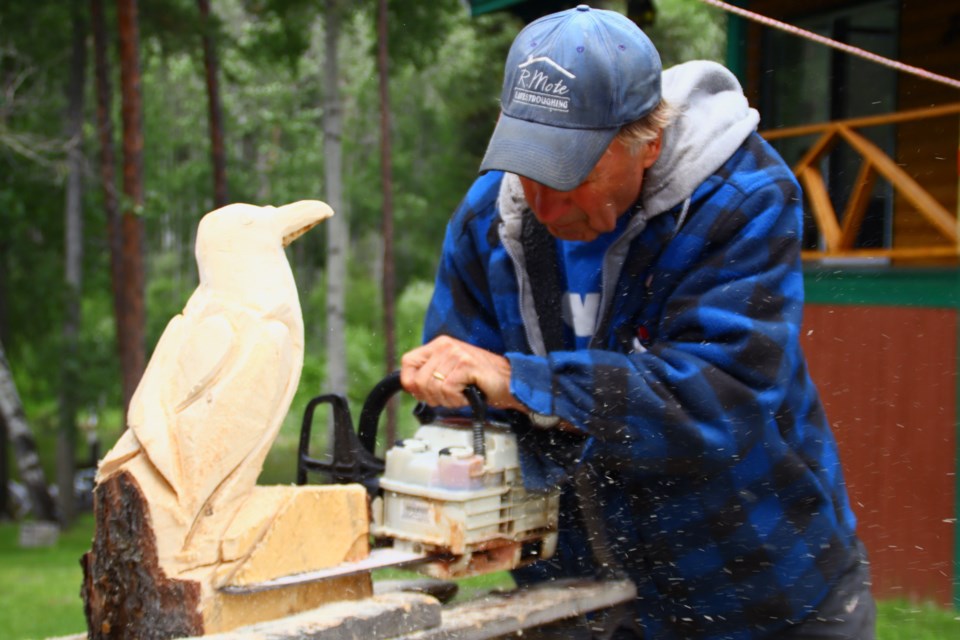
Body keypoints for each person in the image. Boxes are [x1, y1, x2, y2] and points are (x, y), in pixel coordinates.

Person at [399, 5, 875, 639]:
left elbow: (718, 400)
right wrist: (486, 510)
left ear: (646, 142)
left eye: (572, 174)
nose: (543, 203)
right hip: (575, 605)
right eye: (528, 167)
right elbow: (469, 402)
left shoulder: (742, 198)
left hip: (758, 597)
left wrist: (522, 380)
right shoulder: (491, 218)